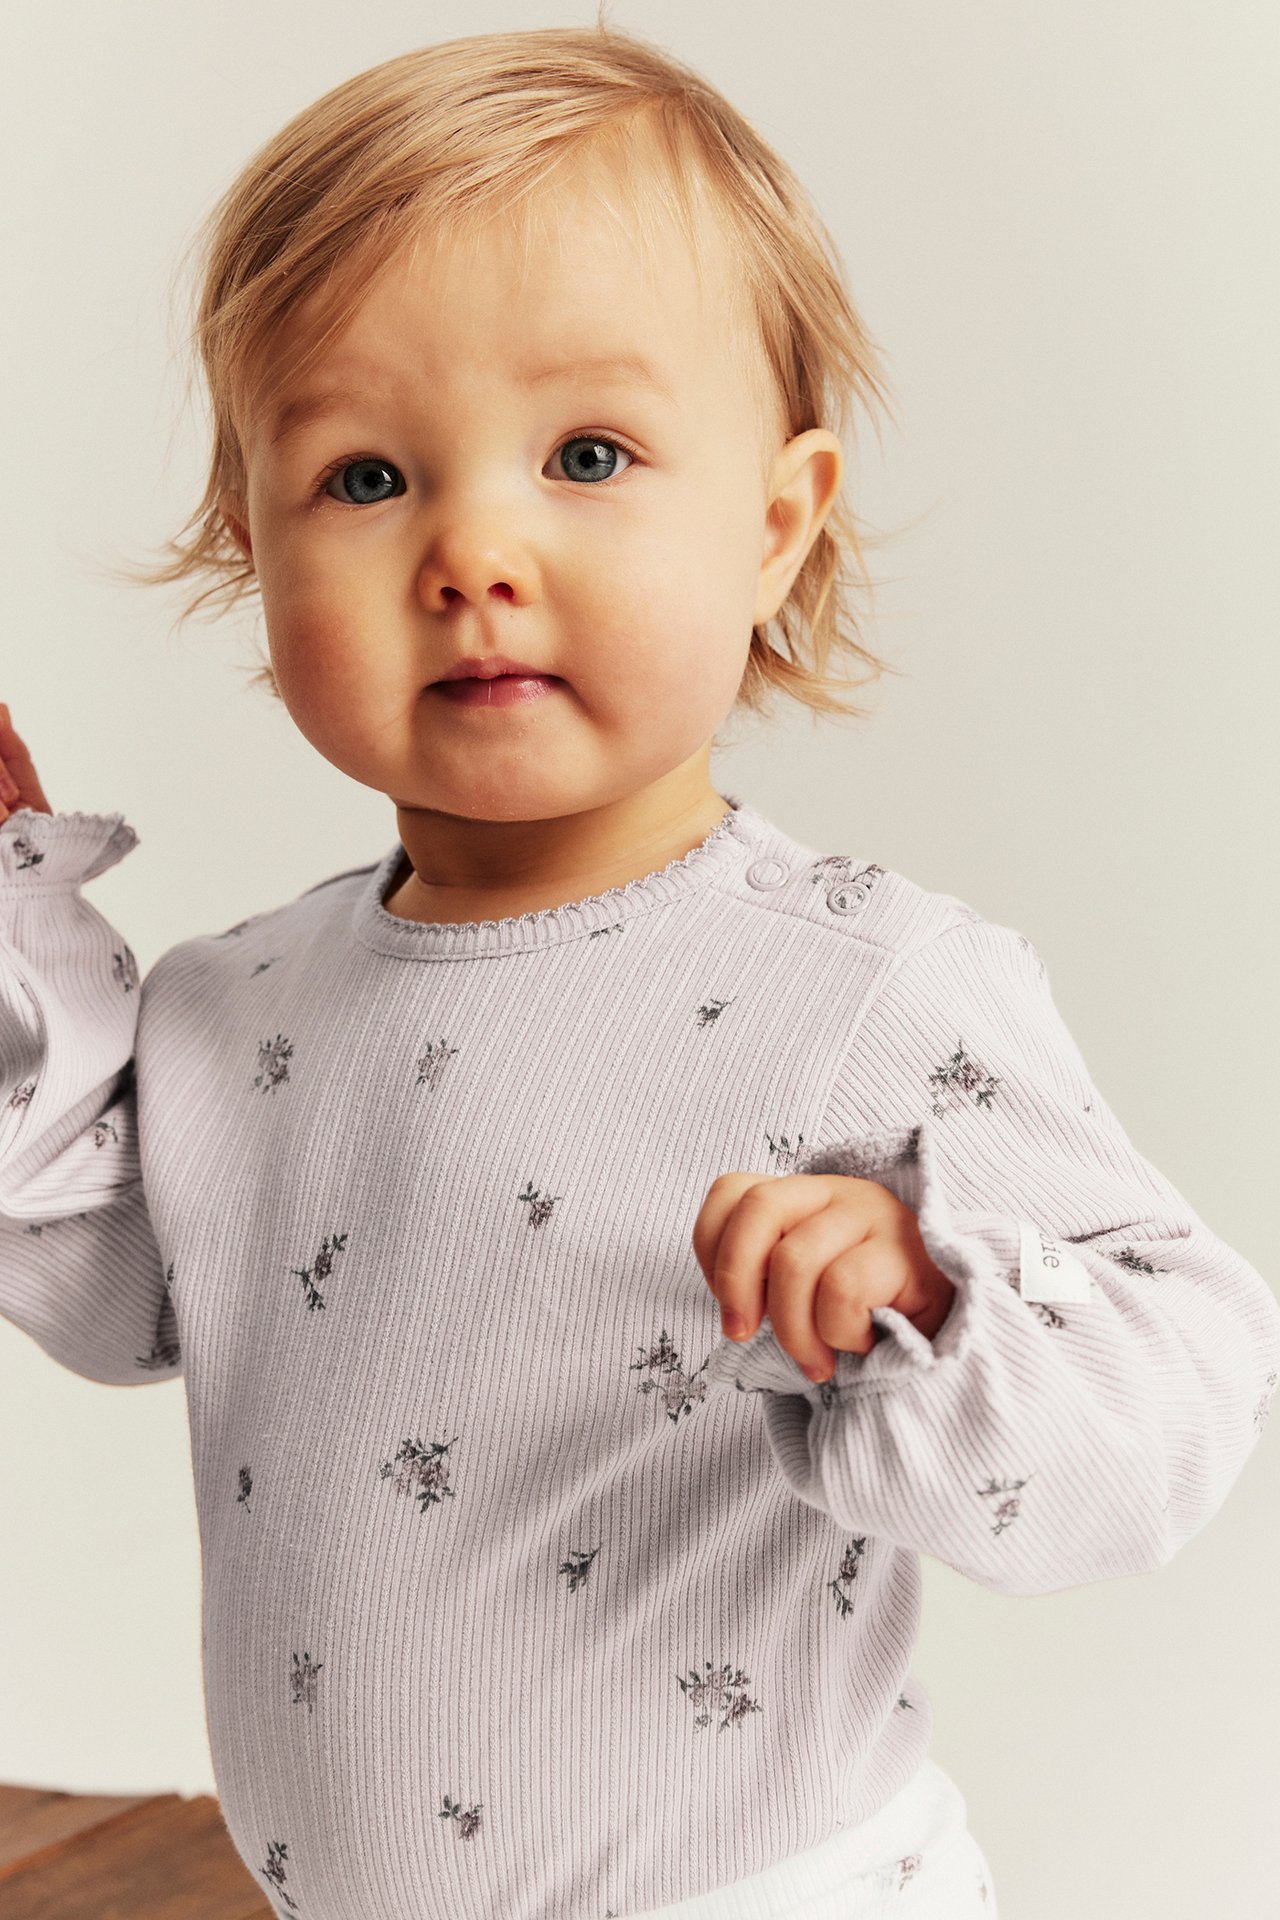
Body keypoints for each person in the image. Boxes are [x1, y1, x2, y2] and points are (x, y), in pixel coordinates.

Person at [1, 22, 1276, 1920]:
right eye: (361, 477)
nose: (472, 549)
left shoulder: (864, 980)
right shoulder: (223, 1009)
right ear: (250, 556)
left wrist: (934, 1296)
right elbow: (111, 1296)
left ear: (774, 528)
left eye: (586, 454)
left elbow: (1175, 1414)